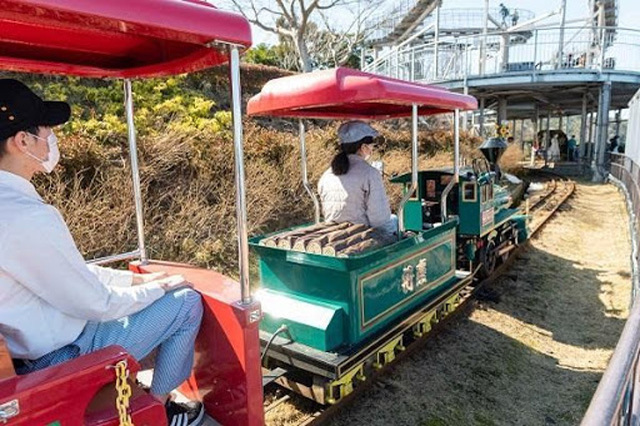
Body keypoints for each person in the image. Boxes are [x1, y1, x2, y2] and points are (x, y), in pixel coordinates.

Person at [0, 79, 205, 426]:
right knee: (186, 304)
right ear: (22, 141)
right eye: (46, 129)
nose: (51, 139)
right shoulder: (26, 216)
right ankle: (158, 408)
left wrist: (139, 281)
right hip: (61, 356)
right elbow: (97, 304)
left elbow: (73, 274)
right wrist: (159, 288)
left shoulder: (12, 208)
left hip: (31, 349)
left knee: (153, 307)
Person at [318, 121, 396, 235]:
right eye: (371, 146)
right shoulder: (370, 173)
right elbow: (379, 219)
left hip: (333, 232)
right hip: (360, 235)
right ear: (363, 147)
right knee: (394, 220)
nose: (372, 149)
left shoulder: (326, 175)